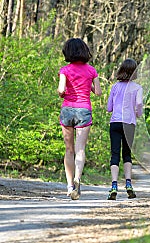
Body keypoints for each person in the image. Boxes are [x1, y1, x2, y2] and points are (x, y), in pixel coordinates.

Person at [57, 38, 102, 200]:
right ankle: (78, 178)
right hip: (84, 110)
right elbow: (98, 92)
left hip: (68, 109)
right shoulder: (92, 71)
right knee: (80, 148)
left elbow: (61, 90)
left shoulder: (65, 70)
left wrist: (63, 92)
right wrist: (88, 84)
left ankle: (70, 186)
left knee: (69, 149)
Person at [106, 58, 143, 200]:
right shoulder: (137, 88)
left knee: (114, 154)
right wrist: (137, 113)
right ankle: (128, 185)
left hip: (115, 122)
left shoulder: (115, 87)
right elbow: (139, 103)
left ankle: (114, 186)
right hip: (129, 123)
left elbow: (109, 108)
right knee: (127, 154)